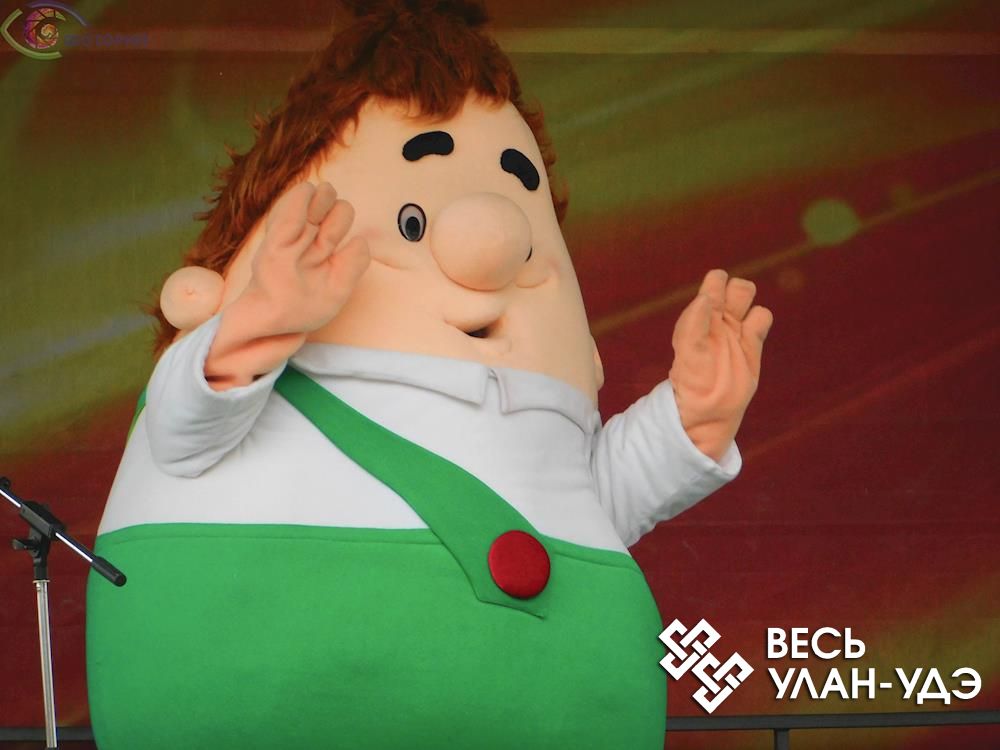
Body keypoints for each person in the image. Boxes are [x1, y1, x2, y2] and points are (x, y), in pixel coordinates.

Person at [87, 3, 772, 748]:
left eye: (522, 220)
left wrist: (689, 419)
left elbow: (579, 507)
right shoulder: (240, 376)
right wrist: (260, 322)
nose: (494, 247)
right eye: (410, 221)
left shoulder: (542, 404)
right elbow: (184, 429)